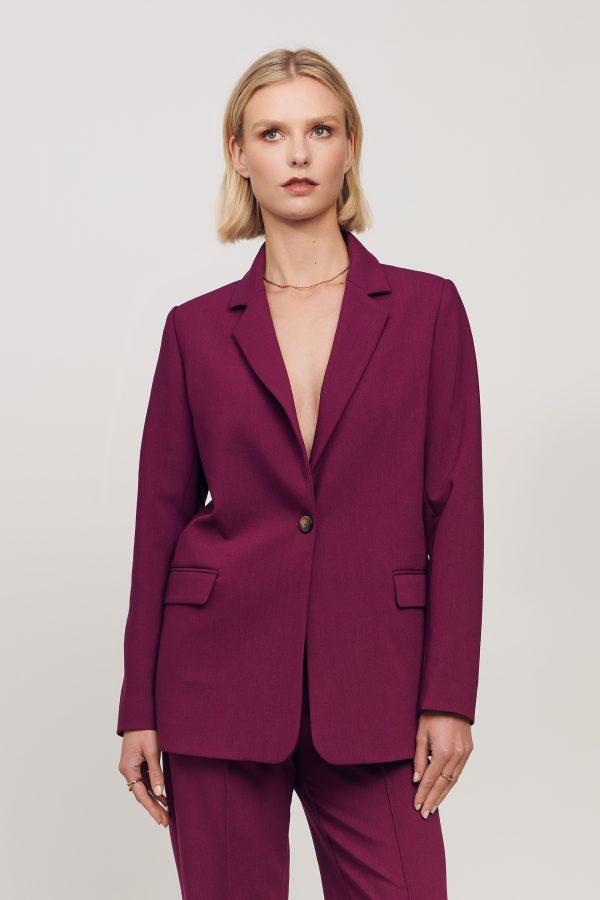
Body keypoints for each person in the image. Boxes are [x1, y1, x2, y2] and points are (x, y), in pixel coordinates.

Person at [116, 47, 484, 900]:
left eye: (319, 130)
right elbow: (158, 524)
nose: (297, 154)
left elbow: (457, 511)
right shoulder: (195, 330)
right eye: (272, 133)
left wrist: (450, 696)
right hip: (216, 682)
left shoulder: (427, 310)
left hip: (378, 681)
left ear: (350, 146)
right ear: (239, 154)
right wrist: (140, 705)